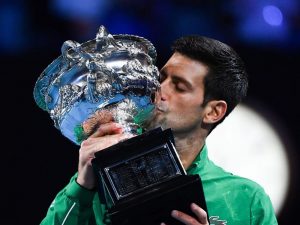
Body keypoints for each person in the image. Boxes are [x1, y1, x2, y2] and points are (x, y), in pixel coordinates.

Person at [40, 35, 278, 225]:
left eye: (180, 86)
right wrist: (81, 186)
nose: (159, 90)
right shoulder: (94, 181)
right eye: (161, 77)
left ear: (213, 111)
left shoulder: (246, 200)